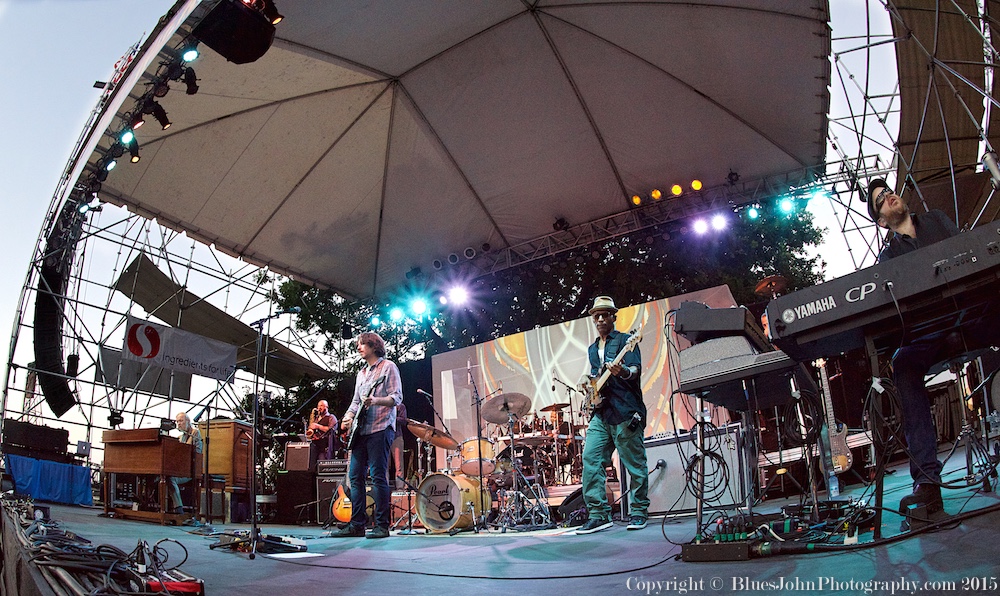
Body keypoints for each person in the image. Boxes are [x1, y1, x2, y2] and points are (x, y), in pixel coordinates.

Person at [867, 178, 997, 513]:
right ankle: (927, 482)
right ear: (882, 221)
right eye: (881, 199)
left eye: (889, 191)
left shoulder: (937, 220)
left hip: (972, 317)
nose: (889, 196)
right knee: (904, 364)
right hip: (931, 334)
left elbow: (970, 257)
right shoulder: (888, 258)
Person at [576, 295, 649, 534]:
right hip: (601, 413)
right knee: (591, 459)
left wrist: (623, 371)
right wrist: (589, 385)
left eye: (604, 314)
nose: (599, 318)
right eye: (596, 315)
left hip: (626, 411)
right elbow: (597, 377)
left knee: (634, 464)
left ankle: (638, 512)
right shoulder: (591, 349)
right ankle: (598, 515)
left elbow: (635, 371)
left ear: (613, 317)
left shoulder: (627, 341)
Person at [331, 332, 403, 539]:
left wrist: (376, 401)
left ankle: (382, 525)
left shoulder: (388, 367)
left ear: (373, 345)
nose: (358, 347)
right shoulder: (361, 374)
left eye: (362, 344)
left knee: (379, 476)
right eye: (358, 344)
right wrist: (347, 419)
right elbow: (356, 401)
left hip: (380, 428)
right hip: (360, 431)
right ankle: (357, 524)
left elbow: (397, 397)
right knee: (355, 477)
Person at [168, 411, 203, 514]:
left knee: (171, 479)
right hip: (182, 469)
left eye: (181, 421)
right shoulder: (181, 437)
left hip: (192, 470)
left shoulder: (195, 433)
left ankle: (178, 508)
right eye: (177, 421)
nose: (179, 423)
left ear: (188, 421)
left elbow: (197, 452)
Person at [308, 399, 338, 469]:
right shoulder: (316, 419)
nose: (319, 408)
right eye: (318, 406)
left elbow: (331, 430)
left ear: (326, 407)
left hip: (325, 447)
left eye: (321, 406)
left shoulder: (331, 417)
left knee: (322, 467)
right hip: (315, 445)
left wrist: (318, 426)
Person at [390, 402, 408, 489]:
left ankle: (400, 489)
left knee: (399, 465)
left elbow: (404, 420)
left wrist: (391, 417)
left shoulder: (400, 406)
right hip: (382, 438)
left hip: (396, 437)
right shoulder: (381, 405)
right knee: (383, 465)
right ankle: (382, 490)